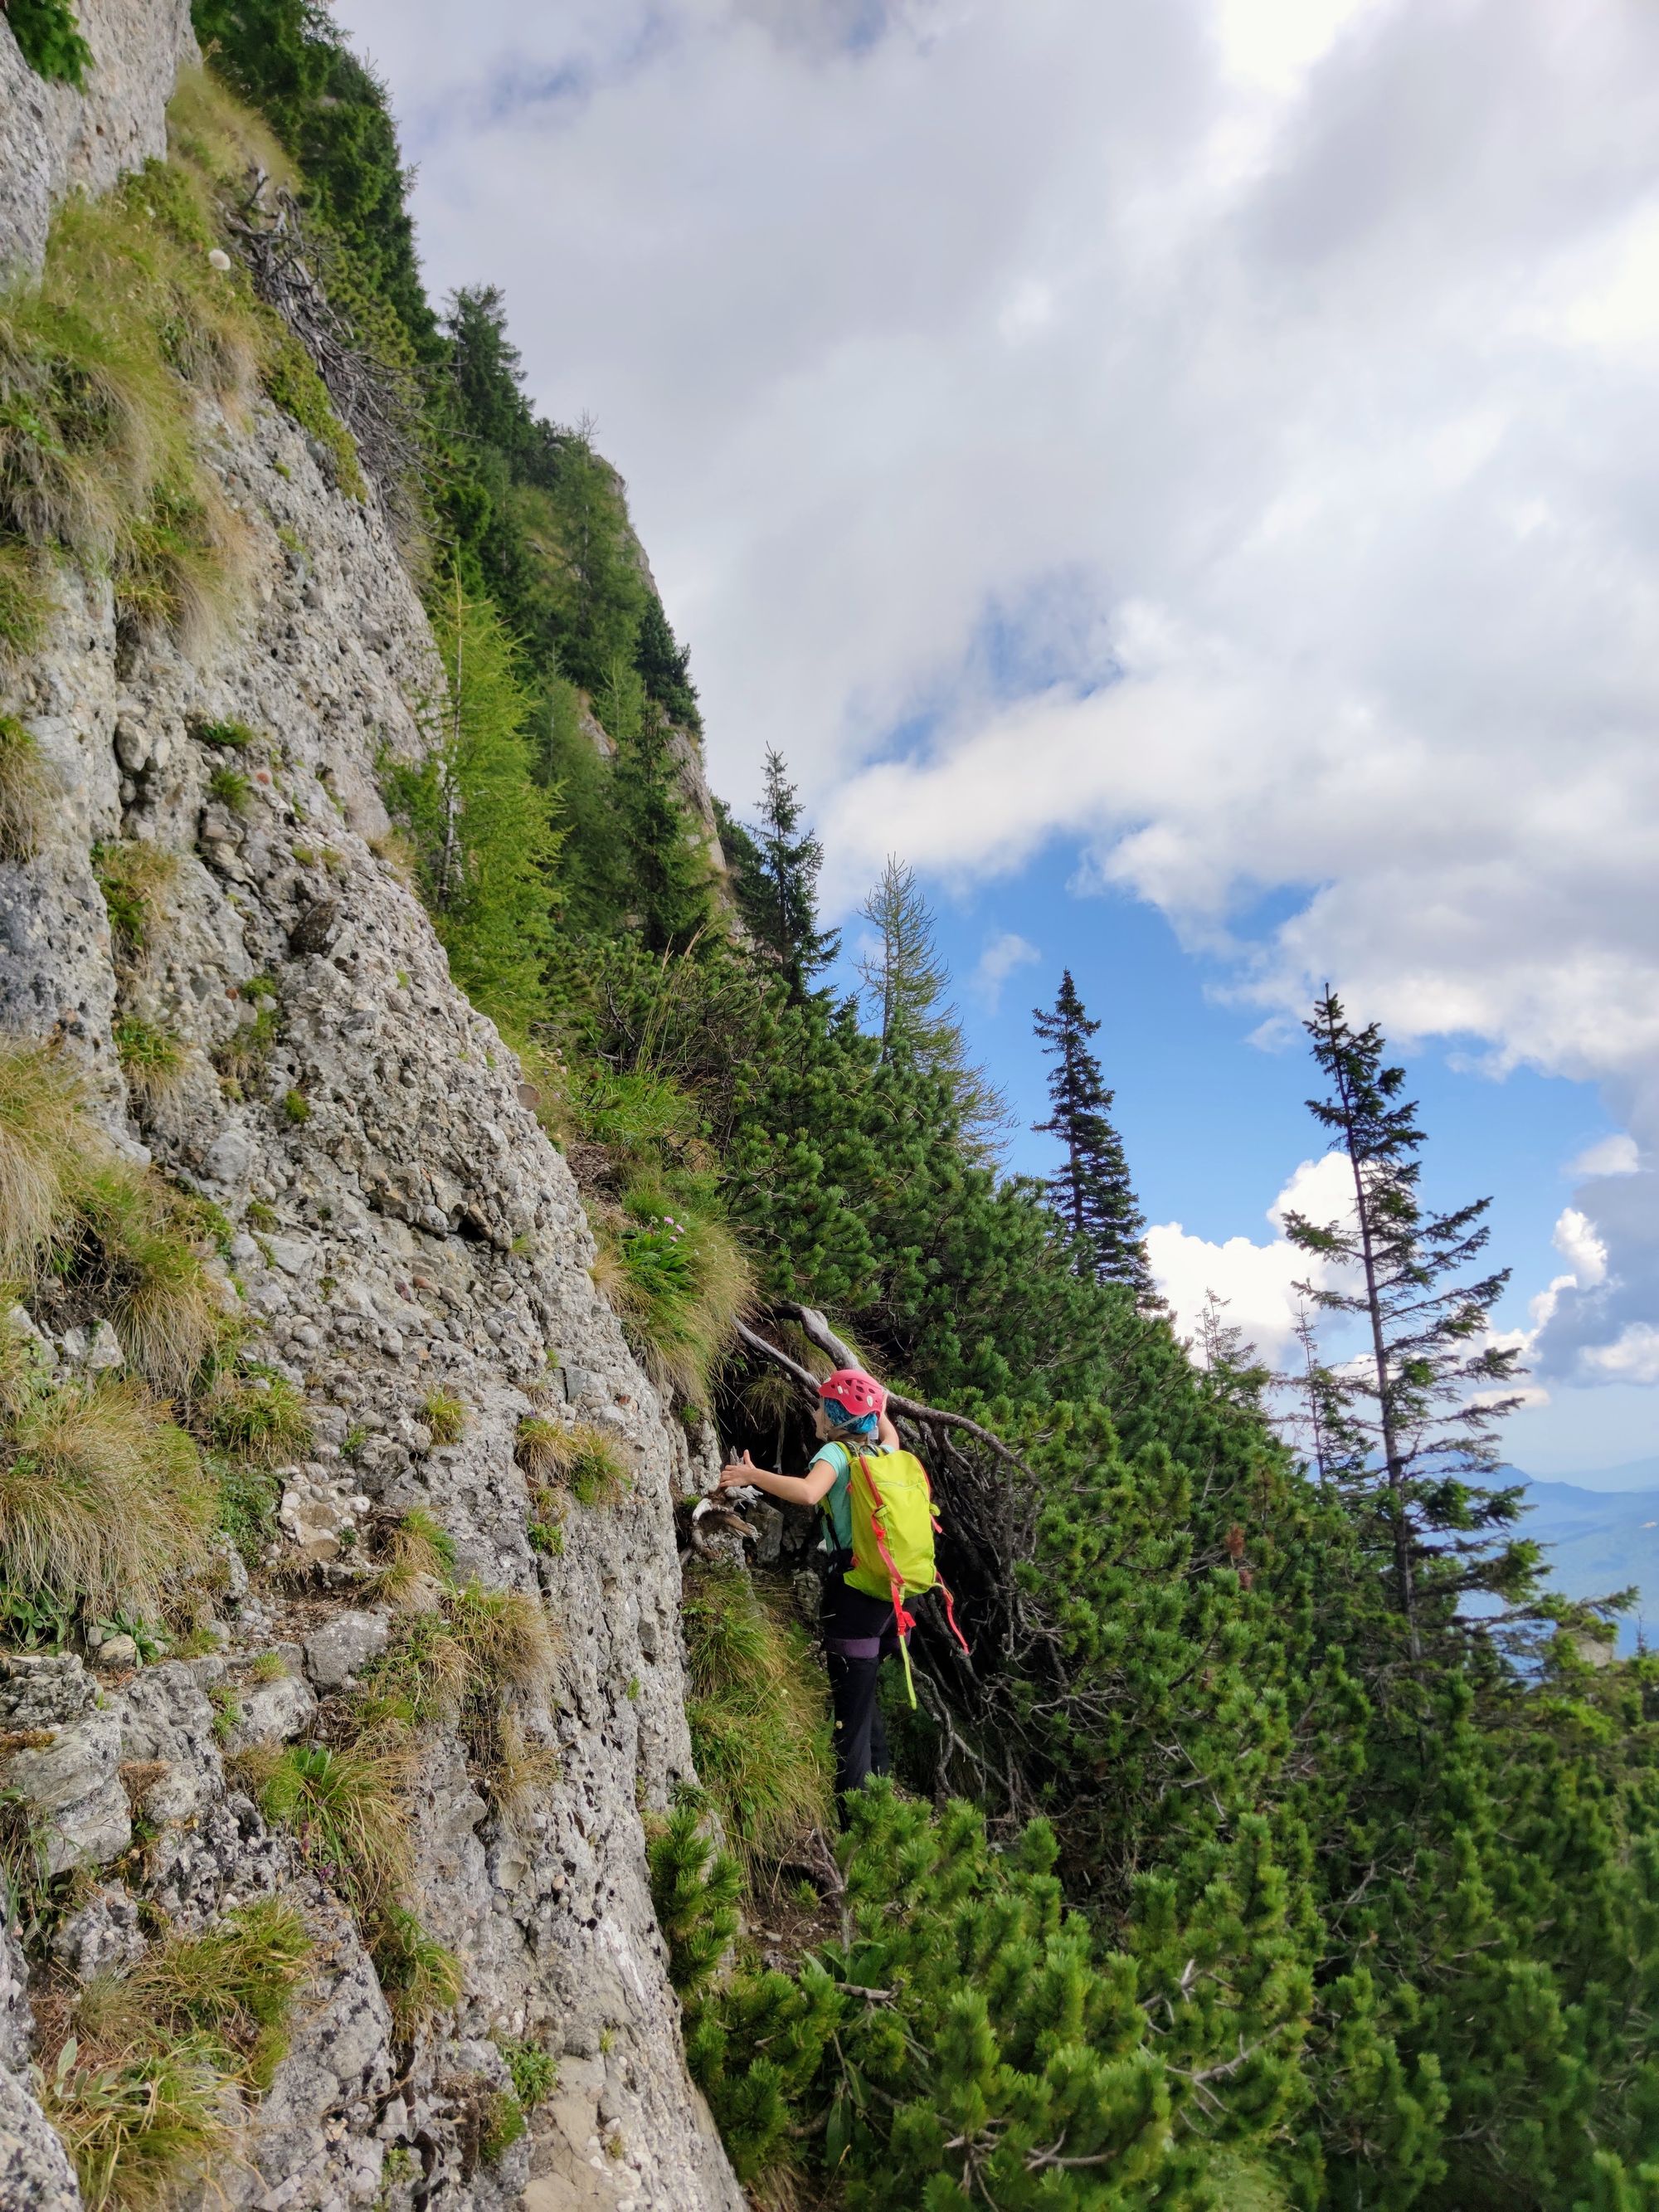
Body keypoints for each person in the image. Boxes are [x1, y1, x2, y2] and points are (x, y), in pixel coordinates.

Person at [718, 1367, 902, 1810]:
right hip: (893, 1602)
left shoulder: (837, 1454)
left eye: (823, 1405)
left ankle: (854, 1822)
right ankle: (882, 1803)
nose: (816, 1411)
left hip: (854, 1598)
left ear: (838, 1414)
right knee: (864, 1697)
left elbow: (806, 1493)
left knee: (849, 1719)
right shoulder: (884, 1455)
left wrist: (752, 1475)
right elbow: (888, 1431)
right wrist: (882, 1408)